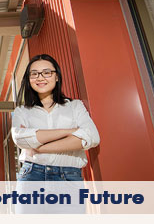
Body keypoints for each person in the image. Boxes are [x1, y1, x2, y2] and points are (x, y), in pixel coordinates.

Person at [12, 54, 100, 212]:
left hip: (69, 178)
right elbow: (20, 139)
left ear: (57, 76)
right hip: (32, 176)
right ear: (28, 79)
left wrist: (40, 147)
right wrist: (70, 132)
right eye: (34, 73)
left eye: (47, 72)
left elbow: (92, 137)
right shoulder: (22, 111)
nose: (40, 77)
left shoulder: (75, 106)